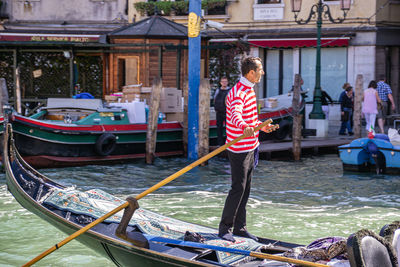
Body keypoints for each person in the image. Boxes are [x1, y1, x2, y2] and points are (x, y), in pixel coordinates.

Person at [218, 56, 270, 243]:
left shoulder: (250, 90)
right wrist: (244, 127)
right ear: (251, 72)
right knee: (237, 188)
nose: (262, 73)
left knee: (246, 189)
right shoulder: (238, 92)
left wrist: (260, 126)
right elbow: (236, 116)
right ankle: (224, 228)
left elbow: (250, 119)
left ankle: (240, 228)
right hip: (239, 148)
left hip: (251, 146)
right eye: (260, 70)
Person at [214, 77, 231, 146]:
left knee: (228, 129)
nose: (224, 83)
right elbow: (215, 99)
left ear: (227, 82)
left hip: (227, 113)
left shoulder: (230, 90)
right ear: (220, 83)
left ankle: (228, 143)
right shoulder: (217, 90)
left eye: (225, 81)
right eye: (223, 81)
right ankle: (220, 144)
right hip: (218, 112)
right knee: (219, 129)